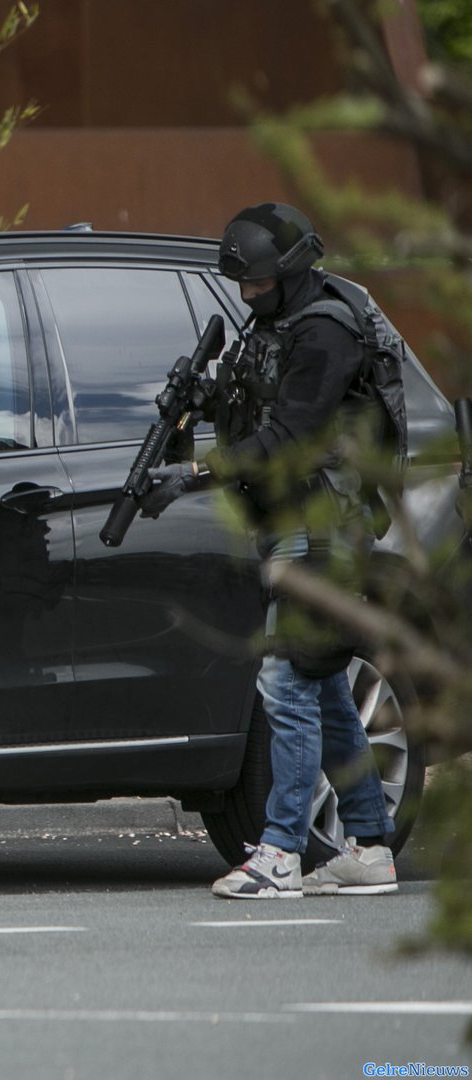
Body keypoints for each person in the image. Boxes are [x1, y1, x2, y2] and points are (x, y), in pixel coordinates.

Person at [141, 202, 397, 899]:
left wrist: (196, 474)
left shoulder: (326, 334)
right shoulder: (276, 324)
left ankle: (280, 852)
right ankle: (371, 846)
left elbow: (291, 436)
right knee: (322, 687)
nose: (247, 294)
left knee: (285, 682)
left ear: (288, 273)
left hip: (324, 528)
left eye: (256, 282)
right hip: (288, 523)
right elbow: (249, 411)